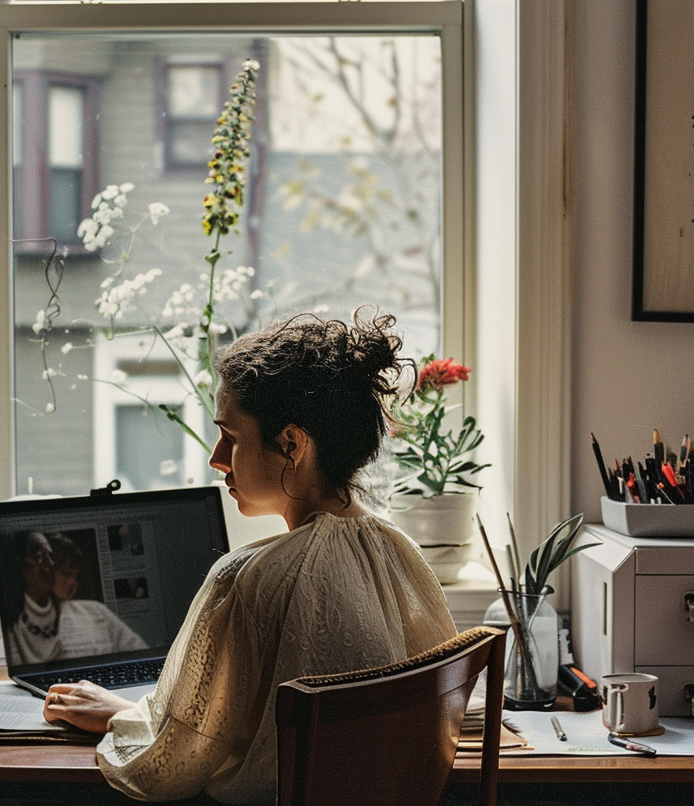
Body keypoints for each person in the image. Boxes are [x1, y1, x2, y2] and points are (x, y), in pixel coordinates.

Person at [42, 311, 457, 805]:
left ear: (291, 444)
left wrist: (121, 717)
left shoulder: (245, 580)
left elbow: (174, 761)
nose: (217, 458)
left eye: (231, 438)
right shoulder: (399, 554)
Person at [6, 530, 148, 666]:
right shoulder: (19, 622)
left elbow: (140, 651)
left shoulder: (96, 611)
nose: (73, 583)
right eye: (66, 574)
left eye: (75, 576)